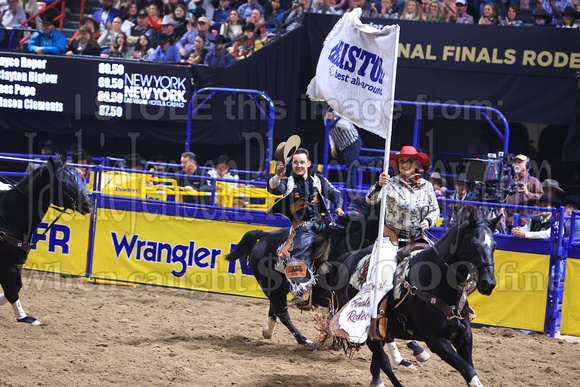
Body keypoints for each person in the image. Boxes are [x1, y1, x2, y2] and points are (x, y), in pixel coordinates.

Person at [336, 146, 439, 344]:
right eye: (402, 161)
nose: (406, 164)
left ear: (417, 164)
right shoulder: (389, 183)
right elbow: (370, 199)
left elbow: (434, 210)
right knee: (382, 277)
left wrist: (429, 221)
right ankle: (375, 320)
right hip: (391, 239)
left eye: (410, 161)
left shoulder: (426, 186)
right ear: (398, 164)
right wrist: (378, 185)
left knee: (441, 266)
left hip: (416, 238)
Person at [267, 147, 344, 309]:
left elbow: (335, 193)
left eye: (302, 162)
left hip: (324, 222)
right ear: (292, 165)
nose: (299, 165)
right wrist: (278, 175)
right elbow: (274, 188)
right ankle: (302, 289)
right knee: (300, 249)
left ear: (308, 164)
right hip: (301, 227)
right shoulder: (288, 182)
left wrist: (338, 207)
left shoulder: (319, 180)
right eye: (295, 163)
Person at [325, 107, 382, 204]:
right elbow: (329, 133)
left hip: (353, 142)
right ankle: (381, 160)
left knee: (351, 168)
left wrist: (333, 120)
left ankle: (352, 197)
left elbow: (346, 126)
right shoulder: (326, 119)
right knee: (356, 163)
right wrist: (333, 147)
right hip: (343, 147)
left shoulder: (341, 112)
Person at [505, 154, 543, 228]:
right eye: (515, 162)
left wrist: (527, 193)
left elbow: (541, 199)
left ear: (527, 165)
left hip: (525, 223)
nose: (516, 164)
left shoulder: (533, 181)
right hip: (509, 222)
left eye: (519, 162)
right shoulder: (510, 181)